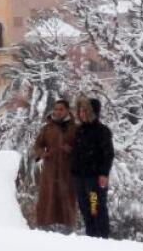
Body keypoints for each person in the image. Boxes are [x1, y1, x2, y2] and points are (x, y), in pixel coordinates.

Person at [72, 96, 114, 238]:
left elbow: (108, 154)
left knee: (95, 207)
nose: (81, 114)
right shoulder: (79, 130)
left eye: (85, 111)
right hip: (79, 177)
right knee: (84, 208)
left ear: (93, 112)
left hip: (94, 179)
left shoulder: (102, 131)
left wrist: (103, 174)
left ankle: (101, 237)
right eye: (80, 111)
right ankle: (91, 237)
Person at [33, 99, 77, 231]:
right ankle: (44, 228)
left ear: (68, 110)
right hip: (50, 171)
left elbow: (83, 148)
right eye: (56, 109)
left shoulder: (75, 128)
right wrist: (42, 153)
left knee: (67, 199)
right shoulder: (47, 128)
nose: (57, 112)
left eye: (61, 109)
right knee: (48, 199)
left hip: (68, 171)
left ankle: (68, 230)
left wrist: (73, 150)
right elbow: (37, 145)